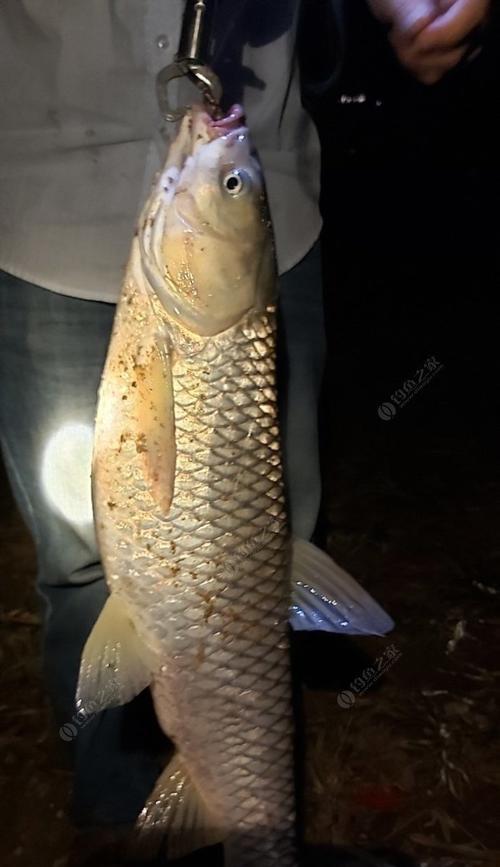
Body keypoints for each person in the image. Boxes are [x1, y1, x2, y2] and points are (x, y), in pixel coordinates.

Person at [0, 0, 325, 842]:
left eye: (227, 179)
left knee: (274, 558)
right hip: (48, 192)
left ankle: (247, 821)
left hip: (279, 221)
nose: (223, 149)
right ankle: (119, 823)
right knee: (79, 568)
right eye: (229, 176)